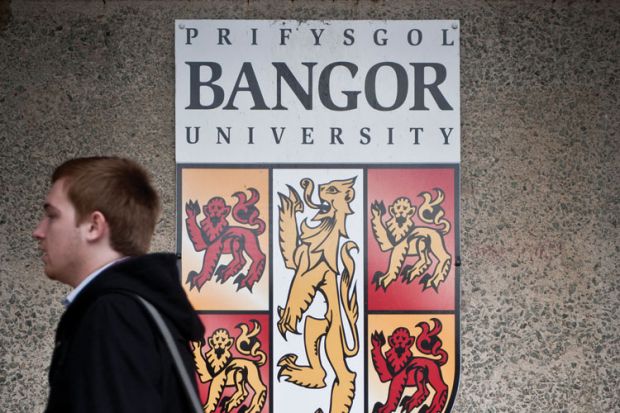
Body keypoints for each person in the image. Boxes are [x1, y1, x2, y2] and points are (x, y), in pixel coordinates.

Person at [33, 156, 204, 413]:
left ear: (94, 226)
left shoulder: (113, 314)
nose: (39, 230)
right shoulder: (138, 309)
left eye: (52, 216)